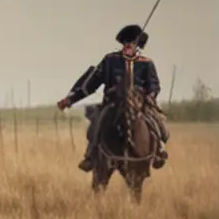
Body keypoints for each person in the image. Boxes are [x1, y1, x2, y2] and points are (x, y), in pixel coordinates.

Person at [57, 24, 167, 170]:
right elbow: (91, 84)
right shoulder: (110, 60)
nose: (128, 45)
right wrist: (70, 100)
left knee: (159, 123)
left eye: (132, 43)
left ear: (137, 45)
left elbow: (154, 85)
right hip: (113, 102)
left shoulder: (146, 63)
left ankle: (159, 150)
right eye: (125, 42)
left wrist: (149, 97)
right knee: (97, 123)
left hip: (140, 103)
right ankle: (90, 155)